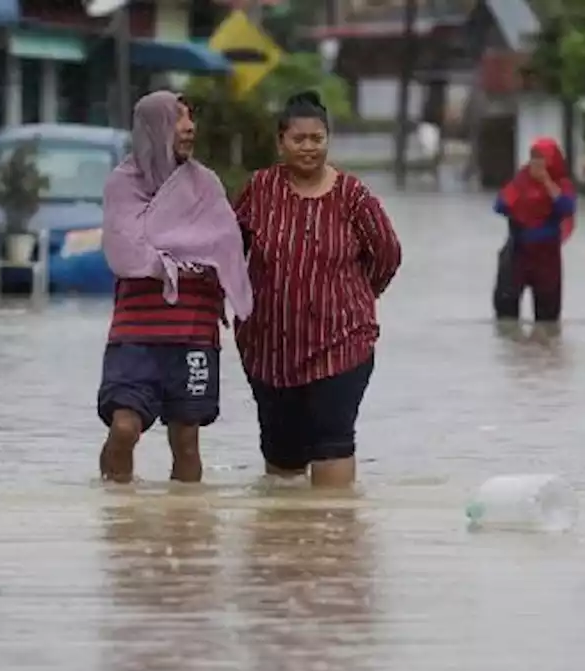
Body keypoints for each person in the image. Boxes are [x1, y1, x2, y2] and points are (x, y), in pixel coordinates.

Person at [233, 90, 402, 490]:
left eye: (317, 139)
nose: (309, 147)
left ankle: (334, 542)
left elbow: (387, 256)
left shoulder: (353, 196)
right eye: (299, 139)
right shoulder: (259, 190)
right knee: (282, 460)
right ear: (281, 143)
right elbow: (229, 252)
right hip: (269, 349)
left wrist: (353, 300)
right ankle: (290, 545)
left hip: (341, 345)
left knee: (333, 441)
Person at [97, 90, 253, 483]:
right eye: (177, 118)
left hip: (193, 330)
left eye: (190, 117)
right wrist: (183, 258)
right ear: (153, 128)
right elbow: (125, 253)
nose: (189, 127)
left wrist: (168, 254)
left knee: (186, 440)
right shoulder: (122, 185)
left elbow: (225, 248)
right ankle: (117, 517)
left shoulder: (206, 186)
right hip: (135, 333)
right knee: (124, 428)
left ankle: (185, 532)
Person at [492, 137, 577, 322]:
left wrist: (546, 182)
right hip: (518, 253)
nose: (536, 163)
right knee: (506, 319)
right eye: (533, 157)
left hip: (547, 260)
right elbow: (499, 205)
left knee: (548, 321)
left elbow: (566, 208)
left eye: (541, 158)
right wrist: (520, 198)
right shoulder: (521, 180)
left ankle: (544, 350)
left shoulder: (562, 185)